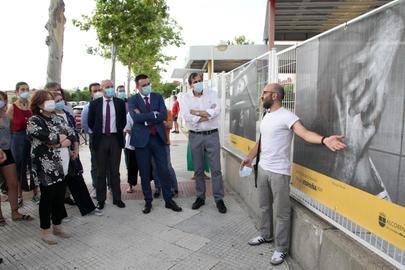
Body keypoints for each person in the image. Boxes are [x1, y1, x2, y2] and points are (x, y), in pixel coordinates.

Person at [241, 83, 346, 266]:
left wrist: (324, 140)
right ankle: (265, 235)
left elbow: (304, 134)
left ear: (274, 96)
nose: (261, 96)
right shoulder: (267, 115)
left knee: (281, 212)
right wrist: (249, 157)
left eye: (264, 93)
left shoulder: (288, 116)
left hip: (279, 172)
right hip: (263, 168)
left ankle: (281, 249)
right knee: (264, 206)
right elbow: (262, 141)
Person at [27, 90, 76, 245]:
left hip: (60, 162)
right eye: (46, 99)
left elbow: (70, 133)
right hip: (44, 164)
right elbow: (46, 137)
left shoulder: (56, 117)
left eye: (51, 99)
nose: (51, 102)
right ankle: (46, 230)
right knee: (47, 197)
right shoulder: (34, 120)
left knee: (59, 196)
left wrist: (60, 142)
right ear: (38, 103)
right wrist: (59, 140)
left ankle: (57, 225)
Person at [128, 74, 182, 214]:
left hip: (158, 139)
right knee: (145, 173)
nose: (147, 87)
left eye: (148, 84)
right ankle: (148, 202)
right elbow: (135, 117)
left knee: (163, 170)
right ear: (137, 87)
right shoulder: (132, 100)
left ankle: (169, 200)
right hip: (142, 141)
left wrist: (145, 117)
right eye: (143, 85)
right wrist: (153, 114)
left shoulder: (157, 97)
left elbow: (164, 114)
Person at [180, 73, 226, 214]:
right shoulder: (185, 97)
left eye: (200, 80)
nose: (199, 83)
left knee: (216, 169)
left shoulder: (212, 94)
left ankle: (219, 199)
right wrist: (206, 114)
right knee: (198, 170)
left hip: (212, 135)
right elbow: (187, 116)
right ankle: (200, 197)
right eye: (195, 81)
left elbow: (216, 111)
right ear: (190, 84)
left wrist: (197, 113)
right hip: (195, 136)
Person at [53, 92, 99, 216]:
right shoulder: (49, 117)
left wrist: (76, 149)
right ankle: (59, 215)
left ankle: (88, 208)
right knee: (58, 185)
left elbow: (73, 133)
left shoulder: (67, 114)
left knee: (77, 179)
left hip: (72, 152)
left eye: (61, 99)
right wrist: (64, 142)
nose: (60, 102)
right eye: (56, 101)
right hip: (56, 155)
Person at [88, 80, 126, 210]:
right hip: (100, 140)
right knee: (100, 172)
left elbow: (123, 121)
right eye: (107, 87)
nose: (110, 89)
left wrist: (117, 131)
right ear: (102, 89)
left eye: (111, 87)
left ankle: (117, 198)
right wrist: (100, 133)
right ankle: (101, 200)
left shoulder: (120, 103)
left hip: (115, 139)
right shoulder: (95, 104)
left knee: (115, 171)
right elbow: (90, 121)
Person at [0, 91, 33, 225]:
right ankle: (0, 217)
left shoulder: (6, 114)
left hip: (7, 152)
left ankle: (15, 212)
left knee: (13, 183)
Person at [6, 82, 39, 206]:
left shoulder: (32, 106)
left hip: (31, 139)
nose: (25, 91)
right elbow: (8, 128)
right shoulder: (12, 108)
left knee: (33, 165)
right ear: (17, 92)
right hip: (17, 139)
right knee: (19, 167)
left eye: (27, 89)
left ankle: (36, 193)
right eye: (22, 89)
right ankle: (20, 195)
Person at [81, 83, 112, 198]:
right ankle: (97, 187)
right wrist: (96, 134)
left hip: (109, 138)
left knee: (110, 163)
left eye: (99, 90)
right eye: (95, 91)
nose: (97, 92)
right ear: (91, 93)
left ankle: (111, 186)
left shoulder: (109, 104)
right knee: (96, 164)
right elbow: (85, 125)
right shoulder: (87, 107)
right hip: (96, 139)